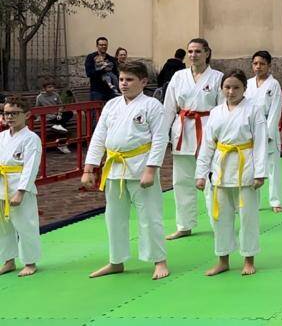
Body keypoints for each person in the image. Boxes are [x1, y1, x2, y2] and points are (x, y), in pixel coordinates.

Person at [82, 61, 169, 280]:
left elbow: (160, 139)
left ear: (143, 82)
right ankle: (116, 260)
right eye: (121, 79)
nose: (123, 84)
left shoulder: (152, 106)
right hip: (114, 168)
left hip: (141, 166)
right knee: (113, 217)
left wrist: (151, 169)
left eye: (129, 80)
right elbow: (99, 137)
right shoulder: (111, 105)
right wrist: (89, 167)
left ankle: (159, 260)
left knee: (150, 215)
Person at [195, 69, 268, 276]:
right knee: (220, 218)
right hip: (220, 169)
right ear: (221, 88)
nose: (231, 91)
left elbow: (261, 142)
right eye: (227, 87)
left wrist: (260, 172)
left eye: (236, 87)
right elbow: (207, 144)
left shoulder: (254, 110)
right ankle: (223, 259)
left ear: (245, 88)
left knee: (248, 217)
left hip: (245, 167)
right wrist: (201, 173)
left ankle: (248, 259)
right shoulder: (216, 112)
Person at [163, 38, 224, 240]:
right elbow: (169, 108)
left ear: (207, 53)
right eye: (190, 51)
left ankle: (219, 223)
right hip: (182, 130)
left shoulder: (217, 77)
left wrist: (221, 136)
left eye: (198, 51)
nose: (193, 55)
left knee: (210, 180)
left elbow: (223, 110)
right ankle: (184, 225)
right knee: (181, 181)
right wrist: (163, 137)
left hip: (207, 130)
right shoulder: (178, 77)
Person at [0, 95, 41, 277]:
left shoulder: (31, 138)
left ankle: (30, 262)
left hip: (19, 186)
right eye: (7, 113)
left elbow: (31, 167)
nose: (10, 117)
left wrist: (21, 192)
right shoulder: (1, 137)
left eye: (15, 113)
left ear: (27, 115)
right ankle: (8, 260)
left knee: (25, 225)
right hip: (2, 185)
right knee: (3, 227)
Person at [246, 51, 282, 213]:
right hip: (250, 128)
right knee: (252, 165)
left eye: (262, 63)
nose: (258, 67)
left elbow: (275, 109)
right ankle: (252, 200)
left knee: (272, 165)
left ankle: (275, 201)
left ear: (269, 65)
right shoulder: (247, 84)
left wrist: (268, 132)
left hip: (268, 126)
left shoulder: (274, 85)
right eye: (255, 63)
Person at [36, 78, 72, 153]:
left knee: (69, 113)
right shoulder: (40, 97)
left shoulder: (56, 95)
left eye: (52, 87)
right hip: (48, 116)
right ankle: (62, 145)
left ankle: (57, 126)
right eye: (49, 87)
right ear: (44, 88)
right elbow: (37, 109)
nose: (52, 89)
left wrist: (59, 111)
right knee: (63, 126)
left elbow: (60, 105)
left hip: (57, 115)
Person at [85, 37, 119, 101]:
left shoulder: (111, 59)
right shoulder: (91, 57)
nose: (103, 46)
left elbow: (116, 74)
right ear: (97, 46)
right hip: (97, 91)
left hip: (110, 91)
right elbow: (89, 73)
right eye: (101, 45)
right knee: (96, 111)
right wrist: (102, 70)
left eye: (105, 45)